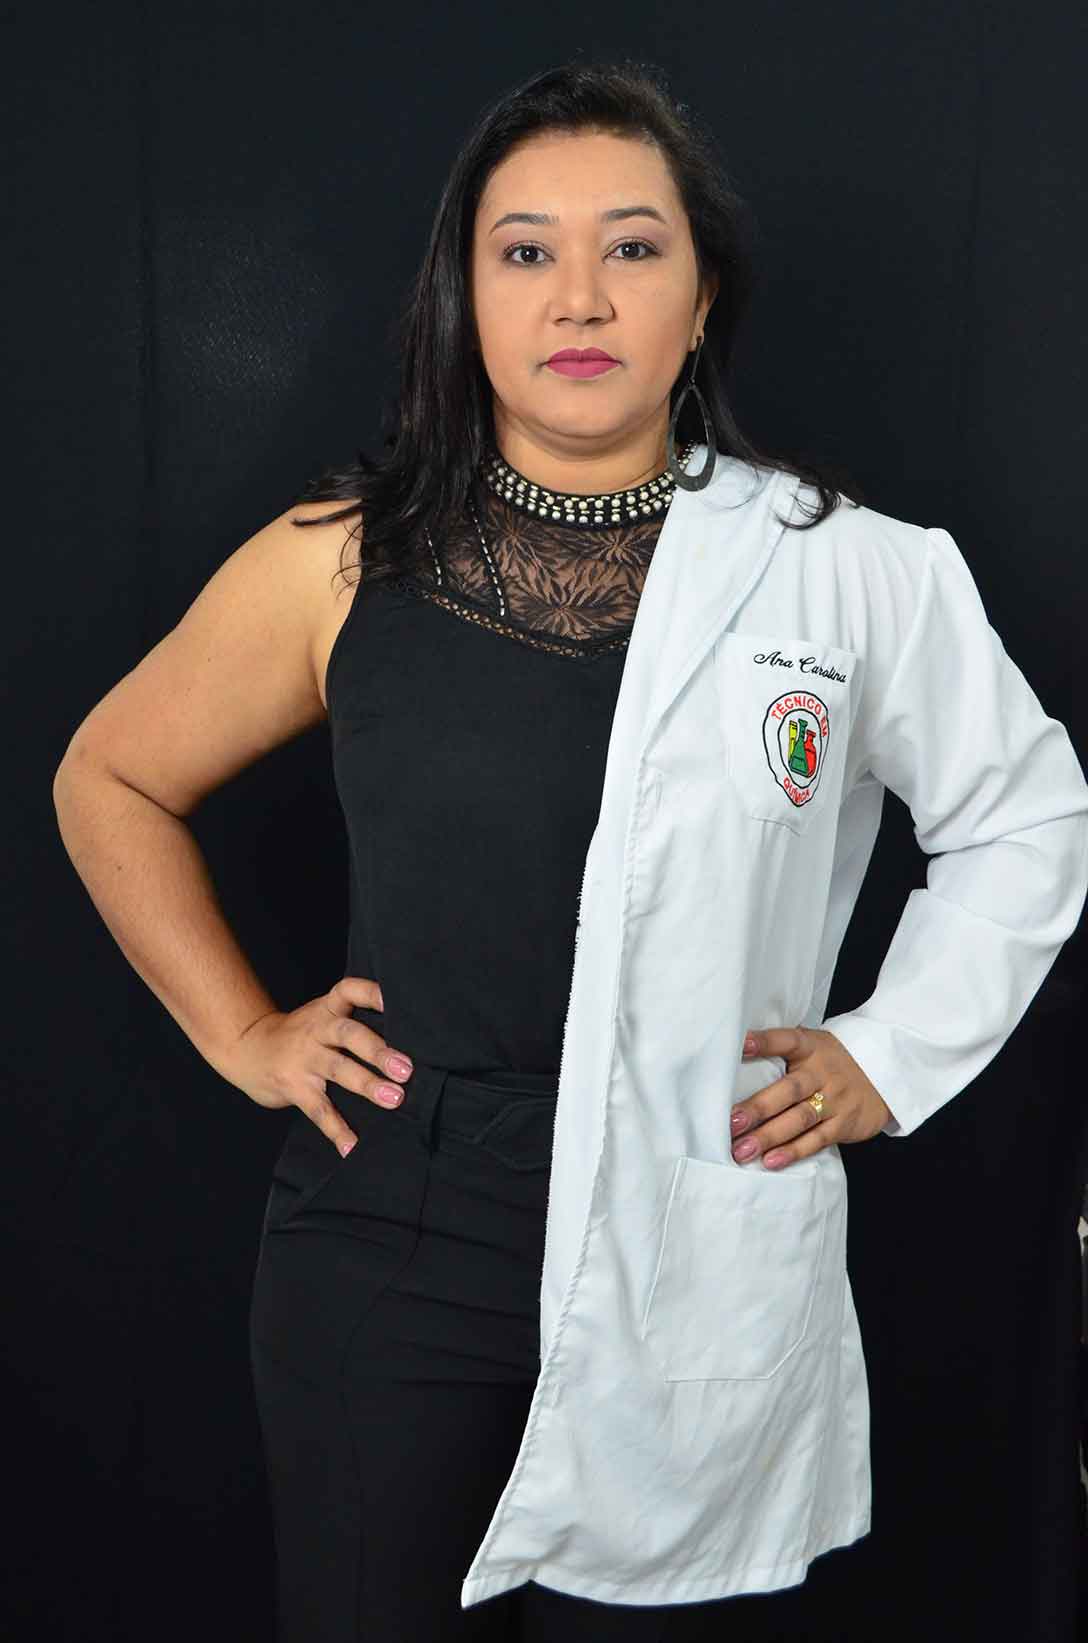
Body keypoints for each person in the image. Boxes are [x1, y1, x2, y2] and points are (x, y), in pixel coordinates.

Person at [51, 56, 1088, 1643]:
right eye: (525, 250)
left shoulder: (851, 573)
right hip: (396, 1233)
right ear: (464, 297)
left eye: (634, 246)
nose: (580, 295)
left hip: (695, 1215)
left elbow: (1026, 816)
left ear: (702, 294)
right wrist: (244, 1033)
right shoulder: (343, 561)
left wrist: (888, 1054)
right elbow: (111, 776)